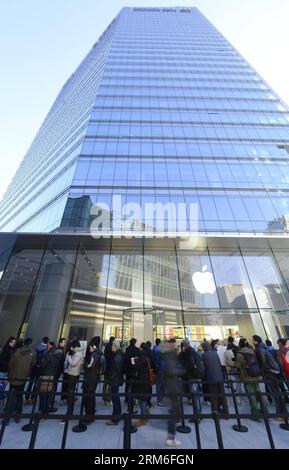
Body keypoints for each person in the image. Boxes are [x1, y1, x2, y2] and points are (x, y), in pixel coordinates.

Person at [253, 335, 287, 421]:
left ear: (256, 341)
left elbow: (263, 363)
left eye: (253, 340)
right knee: (277, 392)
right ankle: (283, 413)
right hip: (273, 373)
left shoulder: (259, 350)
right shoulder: (264, 348)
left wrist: (261, 371)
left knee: (275, 393)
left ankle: (281, 414)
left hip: (268, 374)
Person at [6, 338, 36, 423]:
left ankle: (7, 416)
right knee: (20, 396)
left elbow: (11, 364)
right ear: (31, 343)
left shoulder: (17, 351)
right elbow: (33, 363)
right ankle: (18, 415)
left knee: (11, 396)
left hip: (14, 376)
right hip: (23, 377)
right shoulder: (33, 352)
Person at [235, 338, 265, 421]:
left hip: (247, 376)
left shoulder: (240, 354)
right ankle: (264, 410)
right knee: (258, 392)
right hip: (255, 375)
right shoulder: (252, 351)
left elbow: (237, 365)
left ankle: (255, 413)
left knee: (251, 395)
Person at [163, 338, 185, 446]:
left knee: (173, 411)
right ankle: (170, 438)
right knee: (173, 412)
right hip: (172, 387)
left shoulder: (170, 355)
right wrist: (181, 371)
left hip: (171, 386)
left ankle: (171, 436)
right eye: (173, 344)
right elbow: (170, 370)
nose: (175, 346)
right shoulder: (170, 356)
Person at [59, 339, 83, 424]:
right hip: (72, 374)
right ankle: (69, 413)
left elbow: (73, 363)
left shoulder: (78, 353)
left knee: (71, 394)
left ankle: (69, 414)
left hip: (73, 374)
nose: (72, 348)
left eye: (72, 347)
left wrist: (68, 357)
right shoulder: (77, 353)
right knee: (70, 394)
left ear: (75, 346)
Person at [201, 341, 228, 415]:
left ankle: (215, 411)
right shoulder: (215, 353)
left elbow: (203, 368)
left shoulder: (204, 355)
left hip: (211, 377)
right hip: (220, 376)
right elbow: (219, 364)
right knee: (222, 394)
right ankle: (226, 411)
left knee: (213, 395)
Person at [82, 337, 105, 424]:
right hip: (94, 377)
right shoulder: (99, 353)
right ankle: (90, 413)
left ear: (94, 346)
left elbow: (90, 366)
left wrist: (83, 363)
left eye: (90, 347)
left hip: (91, 377)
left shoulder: (95, 354)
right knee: (91, 395)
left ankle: (89, 415)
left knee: (89, 396)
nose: (89, 348)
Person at [180, 340, 204, 419]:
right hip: (196, 375)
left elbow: (190, 364)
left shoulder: (189, 352)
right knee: (196, 394)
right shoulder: (192, 351)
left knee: (194, 395)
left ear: (184, 346)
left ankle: (197, 415)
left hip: (192, 376)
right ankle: (199, 413)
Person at [38, 341, 63, 417]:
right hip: (54, 374)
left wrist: (41, 367)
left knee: (43, 392)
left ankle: (43, 409)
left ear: (50, 345)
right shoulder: (59, 353)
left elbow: (43, 364)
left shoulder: (49, 353)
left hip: (47, 374)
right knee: (50, 392)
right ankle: (48, 407)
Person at [25, 336, 49, 404]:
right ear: (47, 342)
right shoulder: (47, 349)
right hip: (40, 368)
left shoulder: (35, 347)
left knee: (30, 382)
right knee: (37, 383)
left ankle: (27, 397)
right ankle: (33, 398)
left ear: (42, 340)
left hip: (34, 366)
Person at [131, 342, 151, 426]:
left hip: (142, 379)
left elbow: (137, 366)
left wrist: (133, 362)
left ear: (141, 348)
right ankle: (146, 412)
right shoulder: (148, 354)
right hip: (147, 379)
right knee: (145, 397)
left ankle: (142, 419)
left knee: (142, 398)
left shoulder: (142, 355)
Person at [106, 340, 124, 425]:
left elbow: (117, 368)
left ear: (115, 346)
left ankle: (115, 418)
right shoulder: (118, 354)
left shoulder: (118, 355)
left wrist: (112, 377)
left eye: (112, 346)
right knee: (115, 398)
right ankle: (117, 415)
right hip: (115, 379)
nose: (111, 347)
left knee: (115, 398)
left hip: (115, 380)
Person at [123, 338, 139, 406]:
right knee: (133, 385)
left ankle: (126, 398)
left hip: (127, 369)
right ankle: (132, 398)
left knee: (127, 384)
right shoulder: (136, 349)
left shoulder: (127, 349)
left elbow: (126, 359)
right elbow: (135, 360)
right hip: (133, 369)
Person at [153, 338, 166, 406]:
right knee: (161, 385)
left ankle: (159, 400)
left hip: (157, 369)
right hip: (161, 369)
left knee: (158, 385)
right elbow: (161, 361)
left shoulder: (154, 350)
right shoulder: (160, 351)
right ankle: (160, 400)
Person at [275, 338, 289, 403]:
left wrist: (282, 371)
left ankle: (286, 398)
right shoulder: (287, 349)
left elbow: (280, 363)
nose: (277, 344)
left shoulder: (279, 352)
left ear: (280, 343)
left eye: (278, 343)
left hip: (285, 371)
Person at [102, 336, 115, 404]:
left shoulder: (106, 346)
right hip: (110, 368)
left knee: (105, 383)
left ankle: (104, 397)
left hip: (106, 368)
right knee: (110, 384)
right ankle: (108, 398)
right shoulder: (112, 347)